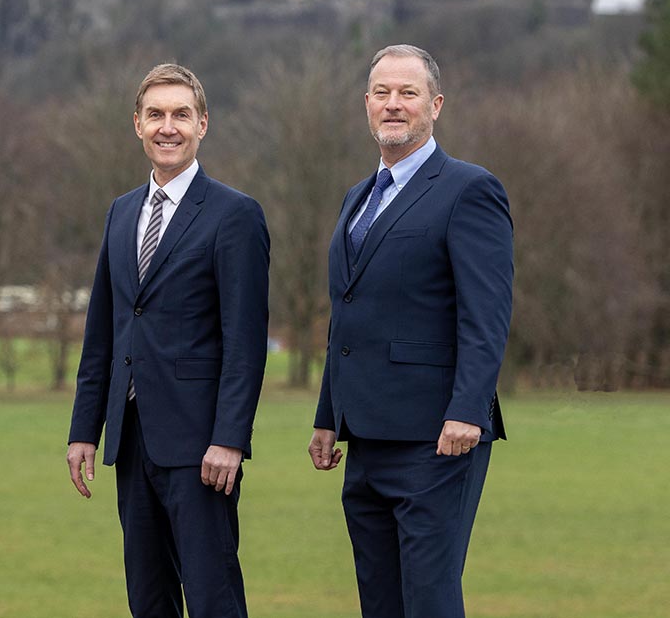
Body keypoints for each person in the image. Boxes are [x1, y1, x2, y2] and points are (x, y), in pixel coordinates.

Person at [308, 44, 513, 618]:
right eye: (382, 93)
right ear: (366, 105)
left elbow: (486, 313)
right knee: (381, 603)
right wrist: (328, 417)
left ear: (435, 105)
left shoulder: (469, 190)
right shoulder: (357, 199)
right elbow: (346, 318)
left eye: (408, 93)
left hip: (437, 438)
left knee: (427, 601)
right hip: (365, 439)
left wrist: (469, 410)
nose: (393, 104)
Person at [67, 63, 270, 618]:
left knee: (213, 599)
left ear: (203, 123)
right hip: (132, 441)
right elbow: (103, 333)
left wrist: (230, 438)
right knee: (148, 600)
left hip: (201, 447)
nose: (168, 126)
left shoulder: (236, 215)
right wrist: (85, 428)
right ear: (137, 124)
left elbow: (245, 343)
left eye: (181, 114)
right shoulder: (121, 212)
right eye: (155, 114)